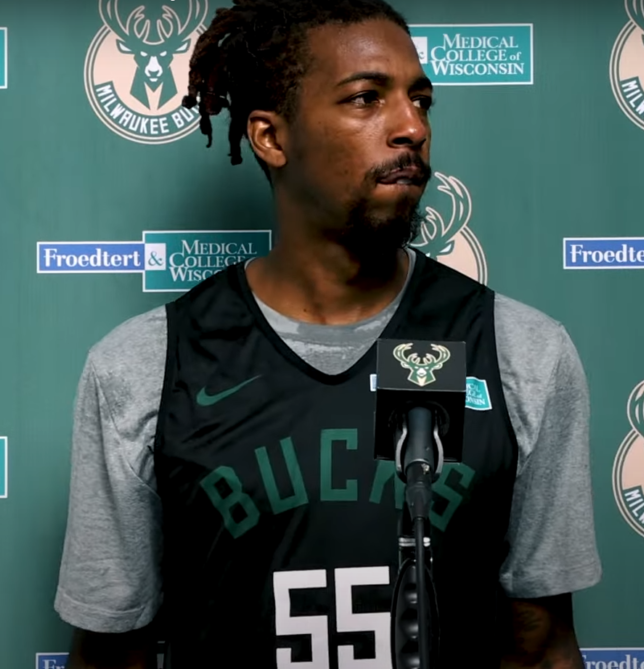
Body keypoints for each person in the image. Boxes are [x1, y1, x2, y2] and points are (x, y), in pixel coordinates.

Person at [55, 0, 602, 667]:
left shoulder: (522, 351)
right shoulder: (144, 366)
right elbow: (112, 657)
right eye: (367, 98)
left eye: (420, 99)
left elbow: (542, 648)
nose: (412, 127)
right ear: (271, 138)